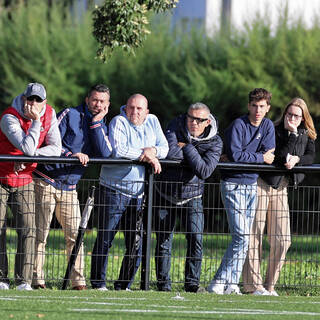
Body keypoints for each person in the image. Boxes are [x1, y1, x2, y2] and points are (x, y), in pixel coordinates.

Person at [32, 84, 112, 290]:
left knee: (75, 235)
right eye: (94, 100)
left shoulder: (102, 125)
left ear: (107, 104)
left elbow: (105, 154)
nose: (97, 104)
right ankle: (36, 279)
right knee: (40, 233)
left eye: (102, 101)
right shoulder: (70, 114)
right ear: (87, 99)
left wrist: (96, 124)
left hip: (70, 187)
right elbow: (49, 141)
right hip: (46, 179)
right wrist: (71, 156)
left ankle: (78, 281)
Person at [90, 93, 169, 291]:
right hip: (112, 191)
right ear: (125, 108)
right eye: (131, 107)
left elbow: (165, 148)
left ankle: (122, 285)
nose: (134, 112)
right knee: (105, 239)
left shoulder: (153, 121)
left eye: (139, 108)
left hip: (138, 195)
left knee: (136, 244)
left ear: (147, 111)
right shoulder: (119, 121)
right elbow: (119, 150)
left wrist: (154, 153)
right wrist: (147, 156)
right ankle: (98, 283)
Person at [242, 97, 317, 296]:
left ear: (303, 118)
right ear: (284, 114)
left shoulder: (306, 134)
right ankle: (252, 286)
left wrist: (298, 159)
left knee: (283, 240)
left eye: (296, 116)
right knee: (254, 236)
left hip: (282, 187)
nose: (292, 118)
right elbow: (277, 155)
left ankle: (269, 285)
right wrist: (291, 137)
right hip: (262, 183)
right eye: (289, 114)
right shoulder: (273, 129)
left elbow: (311, 156)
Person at [207, 88, 275, 295]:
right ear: (248, 106)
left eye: (262, 106)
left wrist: (254, 158)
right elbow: (236, 155)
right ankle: (217, 282)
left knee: (243, 237)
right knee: (242, 236)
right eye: (254, 105)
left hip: (251, 184)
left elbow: (269, 154)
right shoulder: (238, 125)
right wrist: (258, 158)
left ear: (268, 108)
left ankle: (231, 284)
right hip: (232, 184)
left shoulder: (268, 125)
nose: (257, 110)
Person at [154, 102, 223, 293]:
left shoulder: (215, 141)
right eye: (190, 117)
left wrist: (188, 147)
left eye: (198, 120)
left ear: (207, 122)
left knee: (195, 238)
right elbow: (171, 155)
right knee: (163, 240)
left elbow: (205, 171)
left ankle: (192, 284)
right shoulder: (175, 124)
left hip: (193, 195)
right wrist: (194, 155)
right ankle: (163, 285)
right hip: (165, 192)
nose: (193, 122)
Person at [0, 83, 62, 291]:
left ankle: (23, 280)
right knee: (0, 228)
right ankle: (1, 278)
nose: (33, 103)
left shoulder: (50, 114)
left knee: (28, 229)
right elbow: (26, 147)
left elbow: (56, 148)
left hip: (25, 177)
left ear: (45, 101)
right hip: (1, 176)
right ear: (24, 98)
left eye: (38, 100)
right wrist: (36, 123)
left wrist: (30, 158)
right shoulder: (9, 116)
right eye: (30, 99)